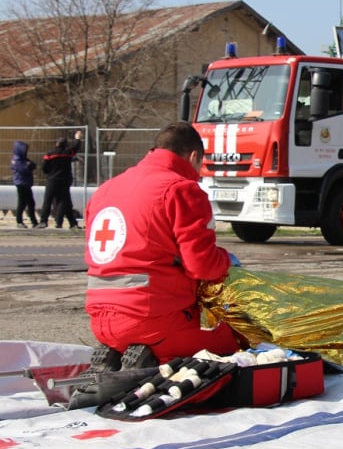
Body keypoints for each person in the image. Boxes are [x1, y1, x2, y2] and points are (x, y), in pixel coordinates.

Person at [83, 121, 244, 368]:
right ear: (193, 157)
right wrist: (227, 261)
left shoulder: (105, 190)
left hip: (100, 321)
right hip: (153, 322)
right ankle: (157, 359)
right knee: (235, 339)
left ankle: (122, 353)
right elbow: (203, 266)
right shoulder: (182, 190)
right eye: (200, 165)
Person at [37, 130, 83, 229]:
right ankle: (66, 223)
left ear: (57, 143)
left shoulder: (49, 154)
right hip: (65, 180)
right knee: (64, 201)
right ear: (65, 145)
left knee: (48, 201)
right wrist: (77, 138)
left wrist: (50, 172)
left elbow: (44, 167)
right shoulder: (68, 153)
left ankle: (43, 221)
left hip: (52, 180)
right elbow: (76, 147)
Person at [10, 140, 39, 228]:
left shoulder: (23, 159)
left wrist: (30, 165)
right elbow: (25, 169)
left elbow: (33, 165)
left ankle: (34, 222)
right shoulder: (17, 159)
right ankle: (19, 221)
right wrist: (29, 165)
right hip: (21, 183)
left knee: (31, 203)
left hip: (25, 183)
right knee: (22, 203)